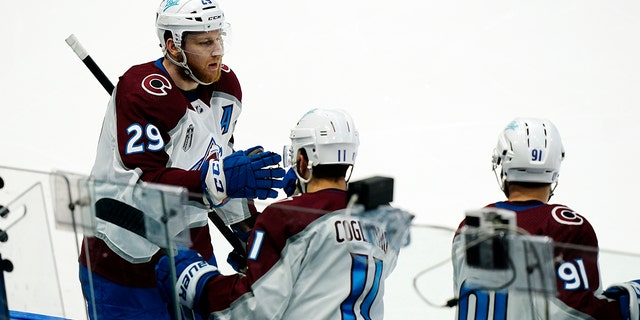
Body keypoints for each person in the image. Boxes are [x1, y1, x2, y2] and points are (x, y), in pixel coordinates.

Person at [78, 0, 285, 319]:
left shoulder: (225, 87)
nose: (218, 51)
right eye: (205, 42)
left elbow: (220, 157)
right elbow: (144, 188)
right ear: (174, 47)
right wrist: (215, 180)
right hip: (123, 261)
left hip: (191, 256)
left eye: (219, 38)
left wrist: (247, 231)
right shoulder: (141, 92)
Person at [155, 108, 413, 319]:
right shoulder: (381, 218)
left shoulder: (285, 218)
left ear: (301, 160)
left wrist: (198, 282)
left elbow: (249, 310)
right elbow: (338, 267)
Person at [452, 117, 639, 319]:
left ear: (502, 164)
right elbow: (576, 313)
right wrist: (630, 299)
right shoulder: (562, 226)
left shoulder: (473, 226)